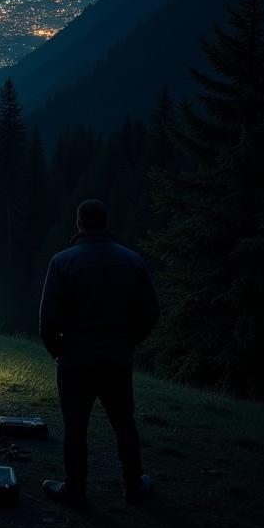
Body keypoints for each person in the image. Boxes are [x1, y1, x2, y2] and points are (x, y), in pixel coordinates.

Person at [38, 199, 160, 507]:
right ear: (106, 223)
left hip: (75, 361)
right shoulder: (132, 261)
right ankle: (133, 486)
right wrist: (130, 341)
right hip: (117, 358)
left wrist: (59, 351)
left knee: (75, 427)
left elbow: (47, 319)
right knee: (124, 424)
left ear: (79, 223)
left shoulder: (62, 262)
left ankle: (75, 489)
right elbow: (151, 312)